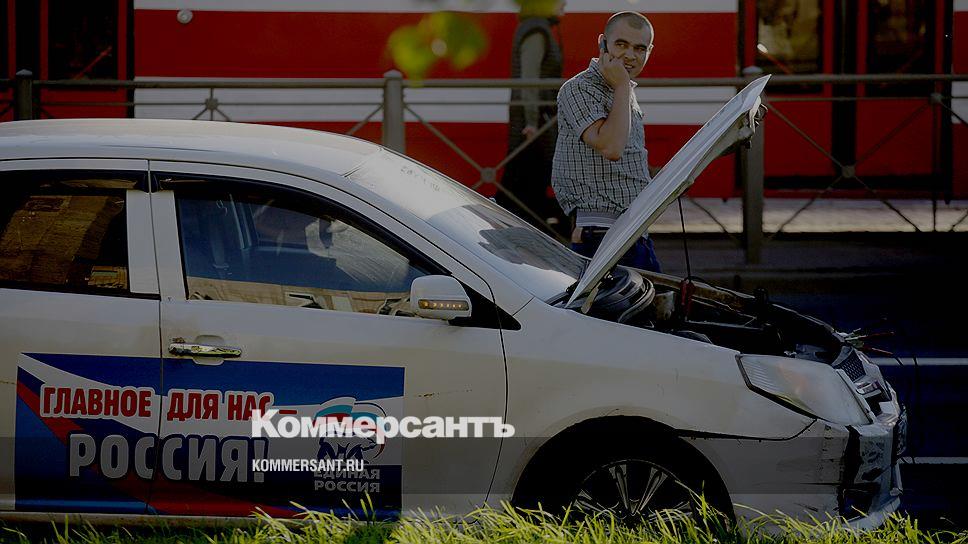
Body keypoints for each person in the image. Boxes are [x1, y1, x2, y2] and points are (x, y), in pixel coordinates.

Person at [551, 11, 661, 272]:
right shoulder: (579, 88)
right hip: (601, 235)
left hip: (631, 233)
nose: (630, 55)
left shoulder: (622, 88)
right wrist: (622, 86)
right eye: (621, 44)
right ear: (603, 43)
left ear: (649, 52)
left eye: (639, 48)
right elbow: (611, 147)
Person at [496, 0, 570, 238]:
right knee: (530, 177)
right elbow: (530, 79)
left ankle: (528, 231)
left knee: (528, 179)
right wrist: (531, 122)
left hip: (540, 118)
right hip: (537, 121)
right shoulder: (537, 31)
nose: (564, 4)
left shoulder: (538, 28)